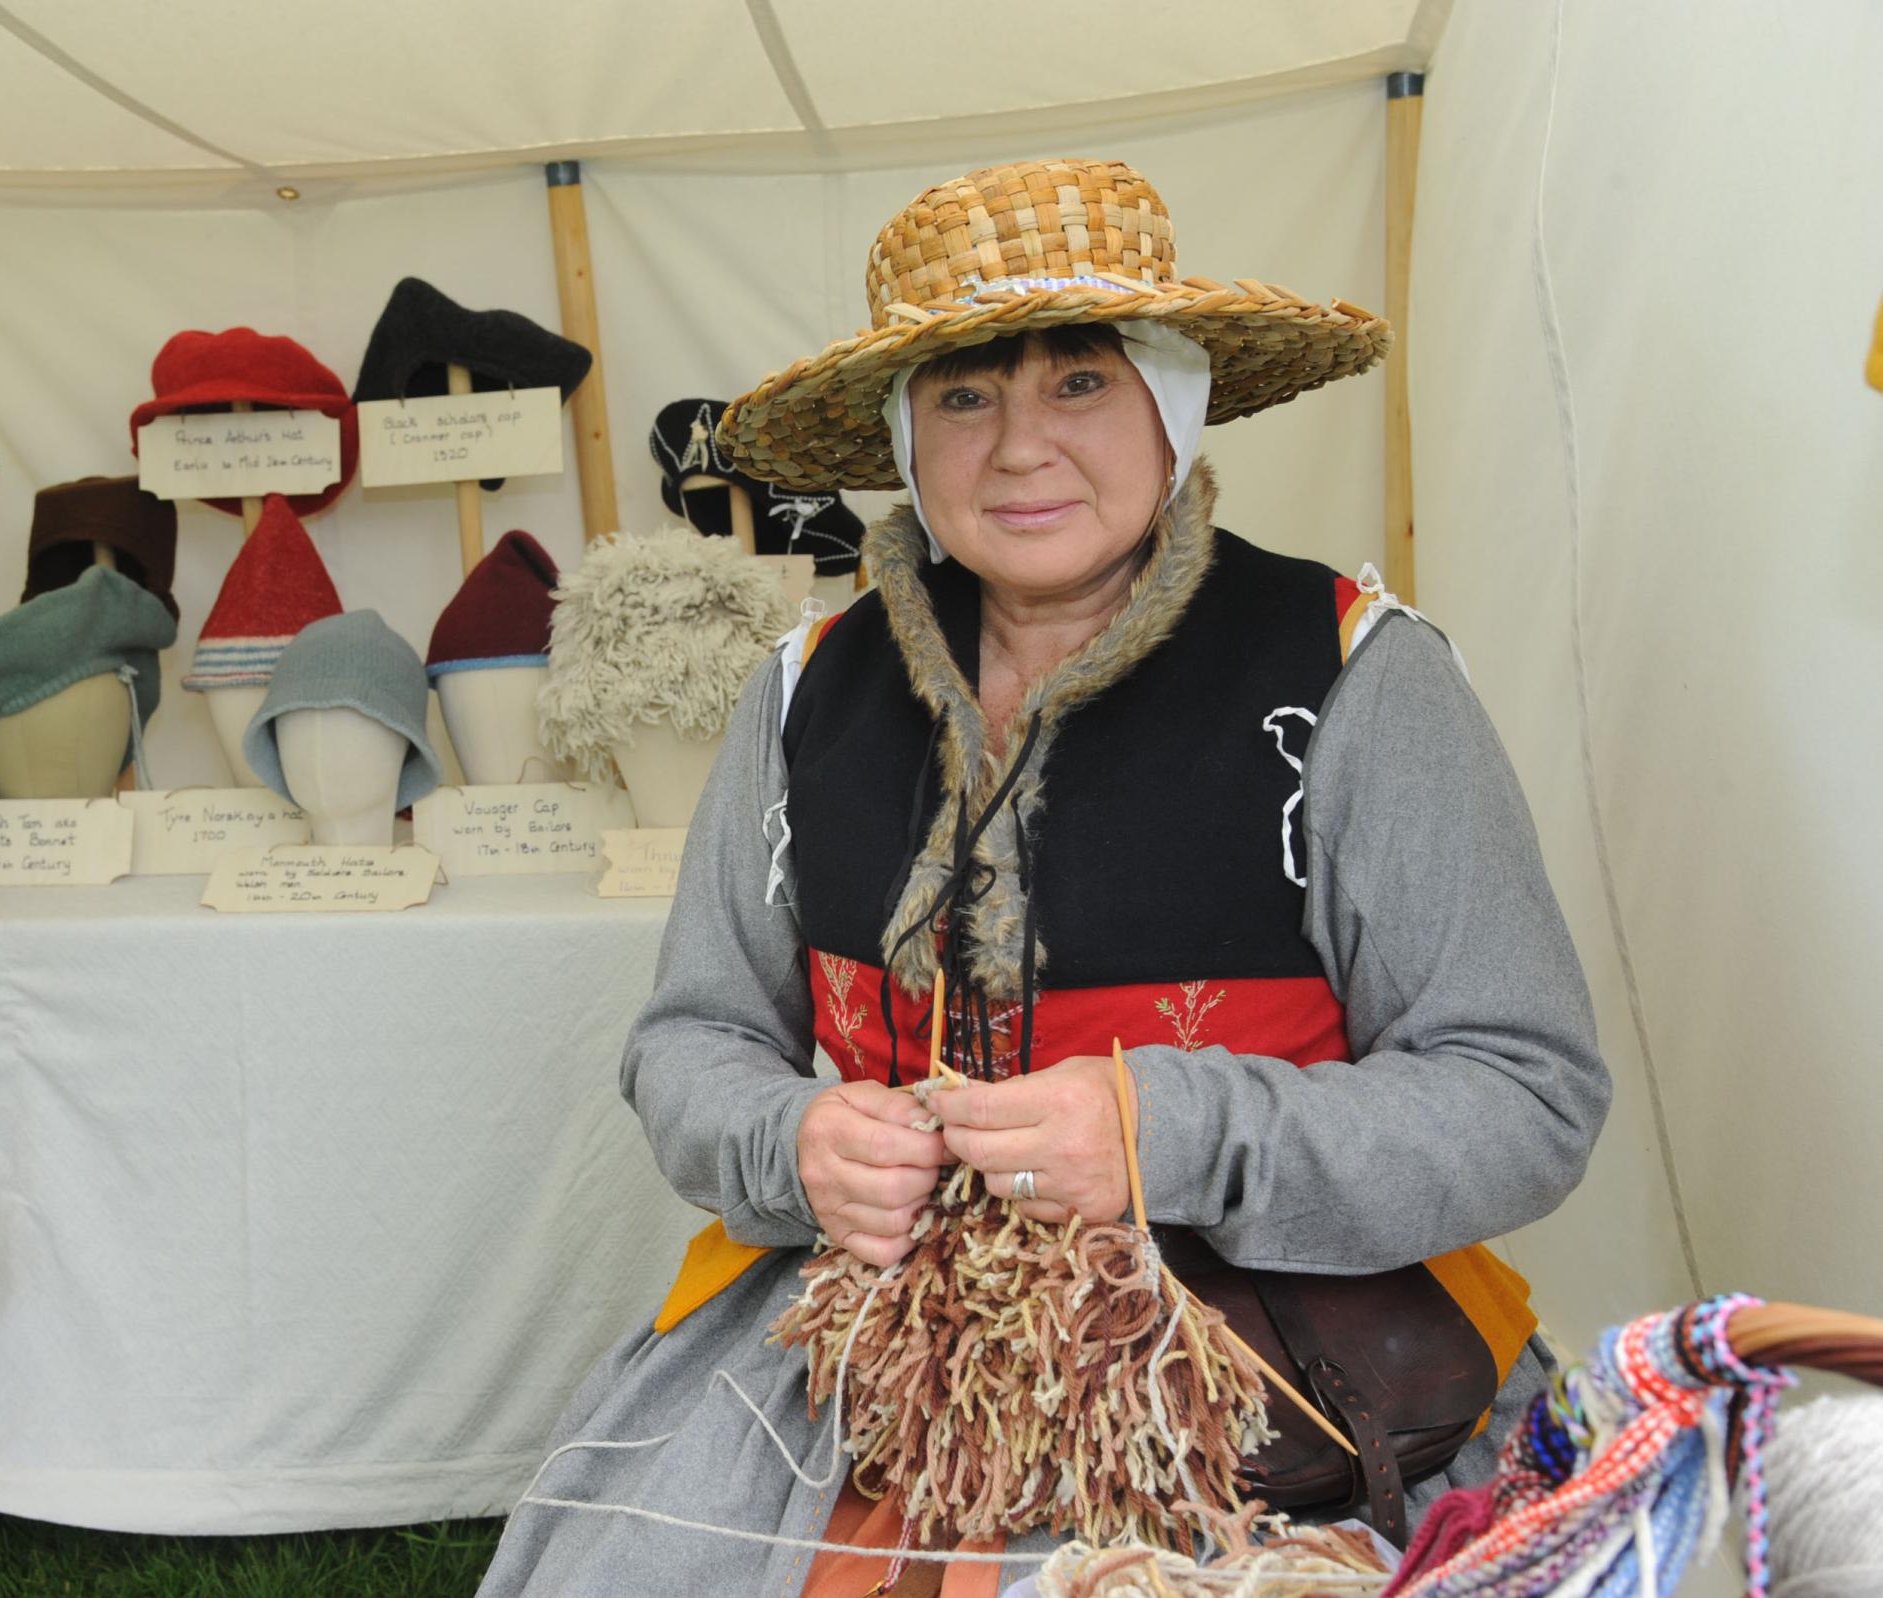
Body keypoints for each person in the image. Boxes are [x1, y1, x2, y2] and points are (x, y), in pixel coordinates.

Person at [479, 157, 1609, 1598]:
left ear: (1171, 402)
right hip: (856, 1329)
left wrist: (1169, 1128)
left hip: (1260, 1354)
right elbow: (687, 1042)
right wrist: (796, 1138)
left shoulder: (1357, 675)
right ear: (904, 434)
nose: (1019, 448)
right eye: (963, 394)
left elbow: (1529, 1090)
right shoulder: (803, 689)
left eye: (1077, 381)